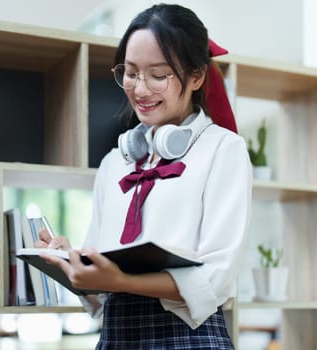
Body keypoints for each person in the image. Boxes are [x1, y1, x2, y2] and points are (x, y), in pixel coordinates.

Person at [37, 3, 252, 349]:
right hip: (118, 336)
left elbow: (217, 278)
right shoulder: (113, 163)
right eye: (131, 72)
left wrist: (122, 279)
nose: (139, 89)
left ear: (196, 76)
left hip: (187, 338)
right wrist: (71, 263)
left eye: (158, 74)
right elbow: (101, 293)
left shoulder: (223, 150)